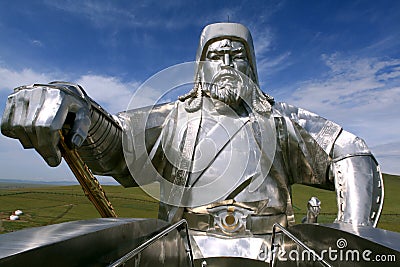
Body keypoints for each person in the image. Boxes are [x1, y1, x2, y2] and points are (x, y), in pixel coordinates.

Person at [1, 23, 383, 261]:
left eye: (238, 56)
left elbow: (350, 149)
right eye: (217, 56)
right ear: (201, 67)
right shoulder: (172, 117)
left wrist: (353, 231)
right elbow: (115, 145)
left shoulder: (280, 119)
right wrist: (73, 102)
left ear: (252, 66)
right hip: (181, 250)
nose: (228, 64)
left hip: (274, 251)